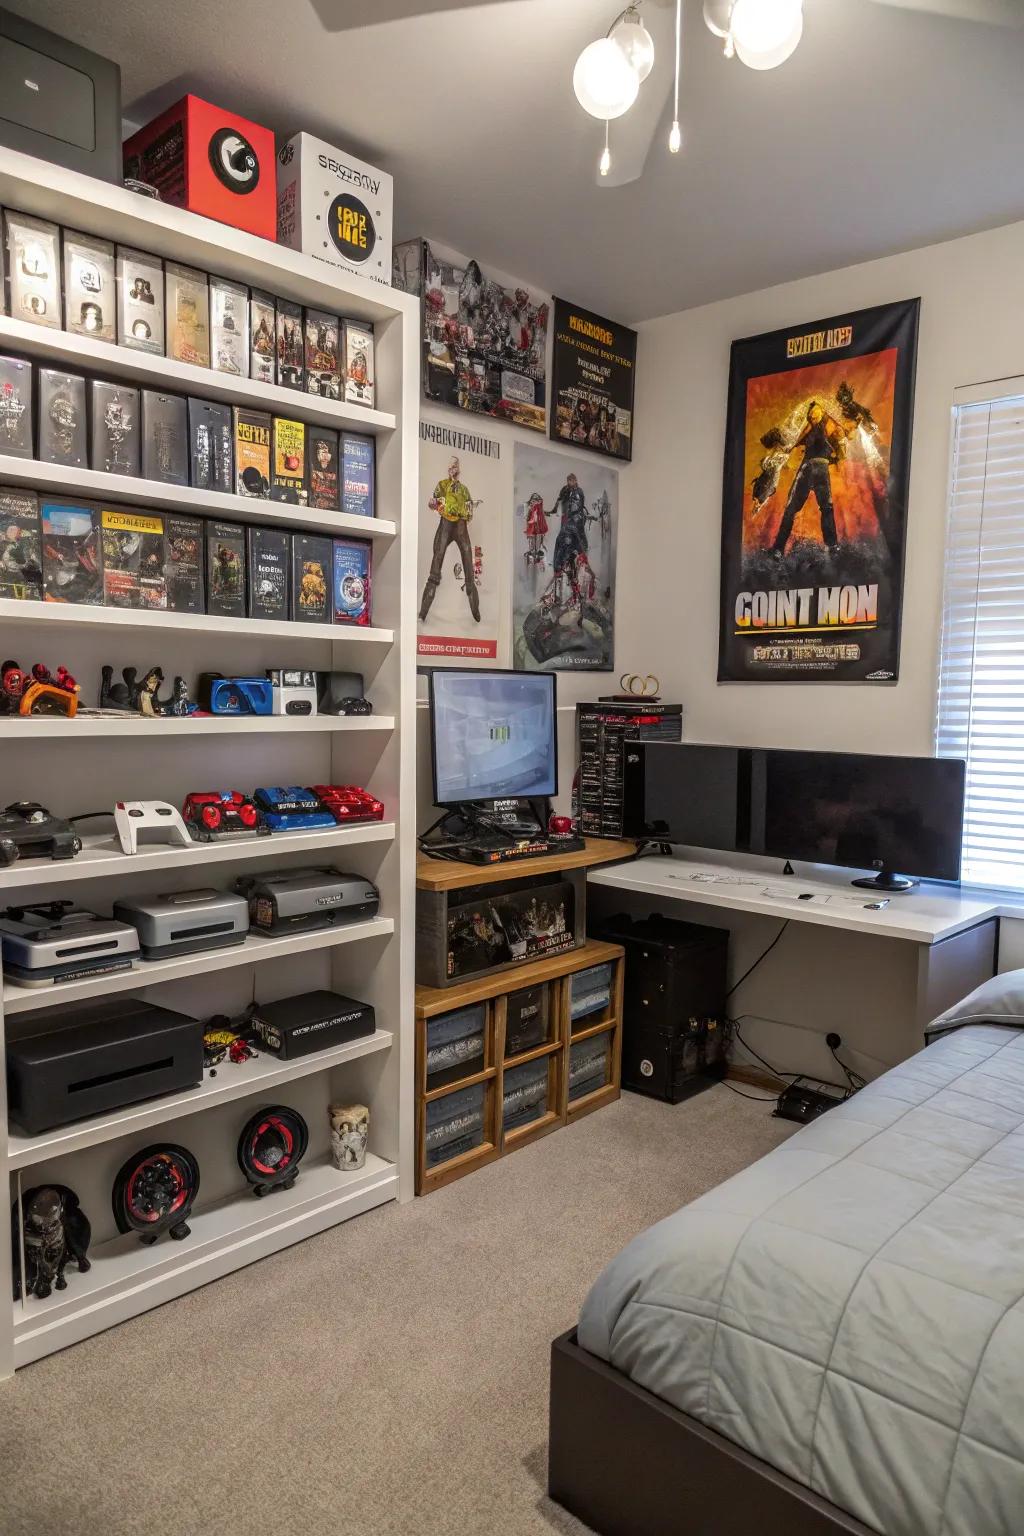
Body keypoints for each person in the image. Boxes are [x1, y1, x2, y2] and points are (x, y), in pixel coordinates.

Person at [772, 401, 855, 557]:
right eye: (811, 414)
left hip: (813, 468)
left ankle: (779, 548)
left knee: (802, 508)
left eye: (814, 412)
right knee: (822, 508)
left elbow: (842, 445)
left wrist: (837, 454)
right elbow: (840, 448)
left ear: (820, 412)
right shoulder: (816, 429)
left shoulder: (826, 426)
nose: (811, 415)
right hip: (814, 469)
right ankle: (831, 547)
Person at [419, 456, 481, 622]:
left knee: (468, 562)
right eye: (451, 467)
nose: (454, 470)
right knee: (436, 563)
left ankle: (475, 608)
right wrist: (433, 504)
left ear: (459, 470)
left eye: (456, 467)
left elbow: (469, 510)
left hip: (461, 526)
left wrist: (467, 514)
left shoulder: (464, 490)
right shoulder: (442, 485)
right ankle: (422, 613)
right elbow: (433, 503)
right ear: (449, 470)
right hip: (445, 524)